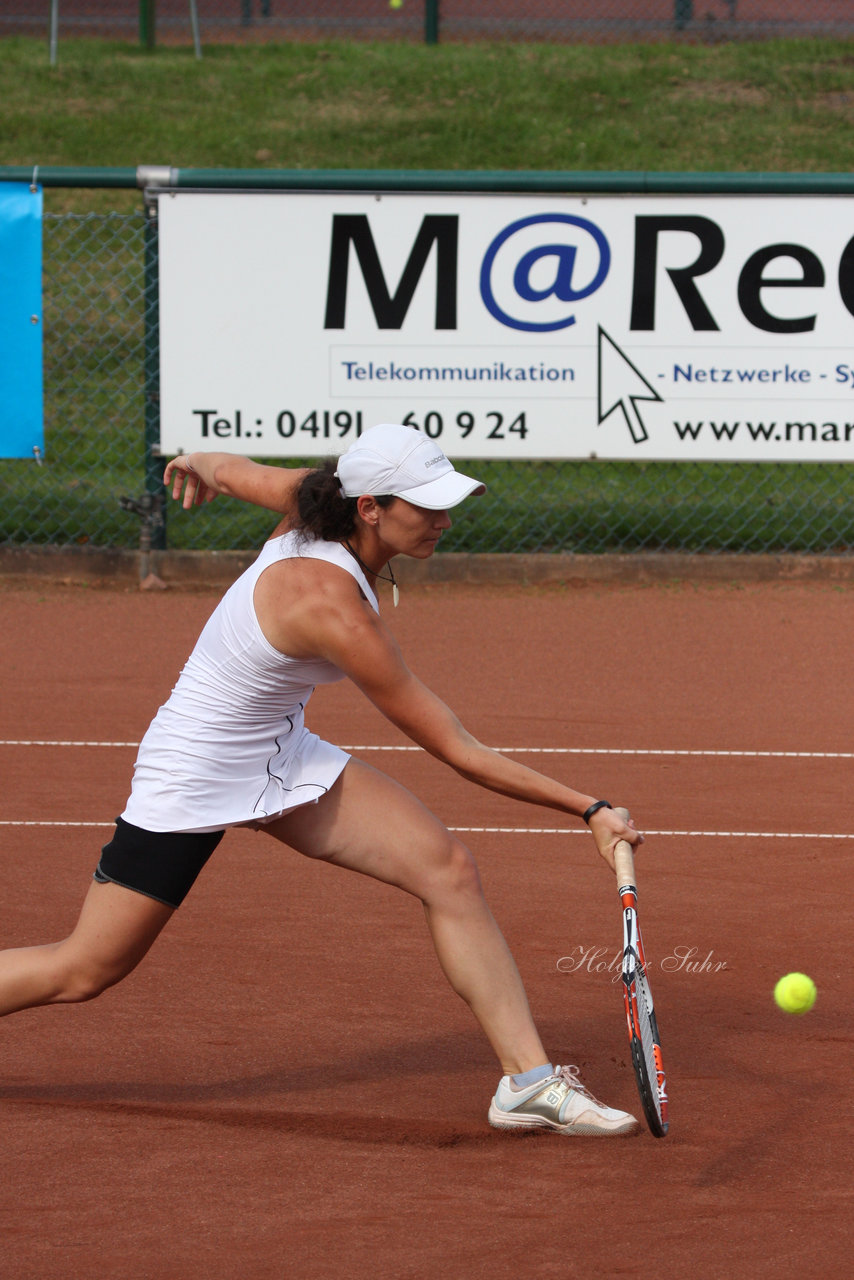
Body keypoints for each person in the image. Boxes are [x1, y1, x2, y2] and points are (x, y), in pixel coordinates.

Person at [0, 423, 643, 1137]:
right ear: (369, 507)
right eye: (425, 506)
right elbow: (457, 748)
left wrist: (196, 463)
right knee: (86, 969)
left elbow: (228, 465)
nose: (443, 521)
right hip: (194, 771)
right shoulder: (330, 610)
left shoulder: (315, 497)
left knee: (448, 870)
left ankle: (527, 1083)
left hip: (278, 752)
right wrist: (589, 807)